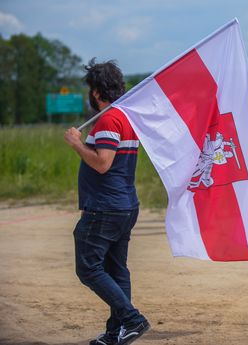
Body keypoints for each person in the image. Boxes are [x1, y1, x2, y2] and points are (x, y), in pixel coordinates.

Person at [64, 59, 149, 345]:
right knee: (116, 269)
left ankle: (131, 319)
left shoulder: (110, 119)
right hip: (123, 205)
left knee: (88, 268)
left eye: (90, 90)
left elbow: (102, 163)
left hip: (105, 208)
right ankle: (116, 332)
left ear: (97, 93)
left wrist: (77, 143)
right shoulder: (126, 118)